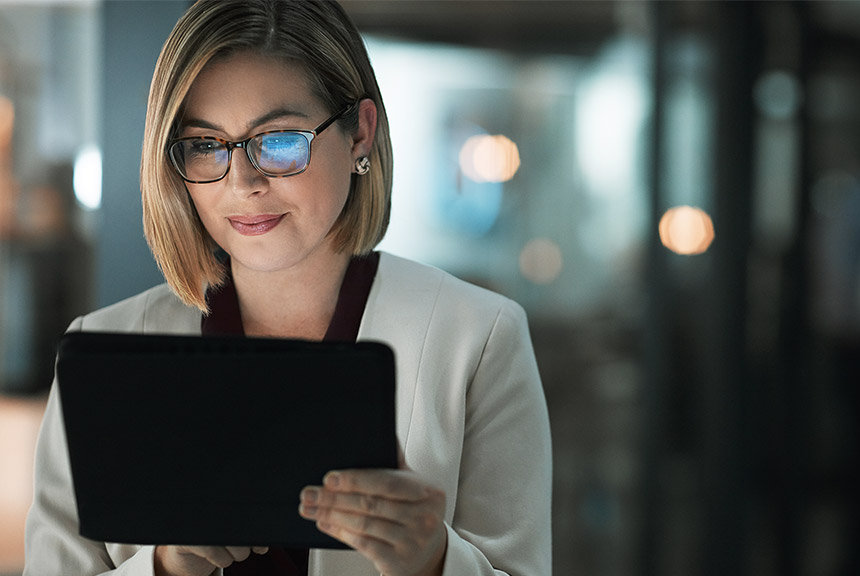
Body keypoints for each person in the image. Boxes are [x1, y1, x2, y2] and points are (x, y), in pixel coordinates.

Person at [22, 1, 552, 575]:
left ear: (360, 135)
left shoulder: (477, 337)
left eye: (278, 140)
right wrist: (165, 565)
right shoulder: (104, 350)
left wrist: (435, 560)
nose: (242, 182)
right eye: (206, 145)